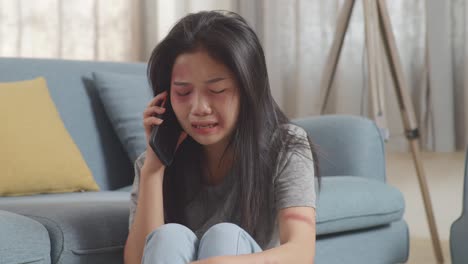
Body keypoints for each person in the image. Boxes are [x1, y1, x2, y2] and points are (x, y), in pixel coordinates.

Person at [124, 10, 319, 264]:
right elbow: (138, 260)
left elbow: (301, 252)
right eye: (183, 93)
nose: (199, 108)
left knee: (224, 237)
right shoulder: (151, 163)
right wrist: (153, 170)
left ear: (248, 89)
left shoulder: (285, 146)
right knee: (167, 237)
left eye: (217, 90)